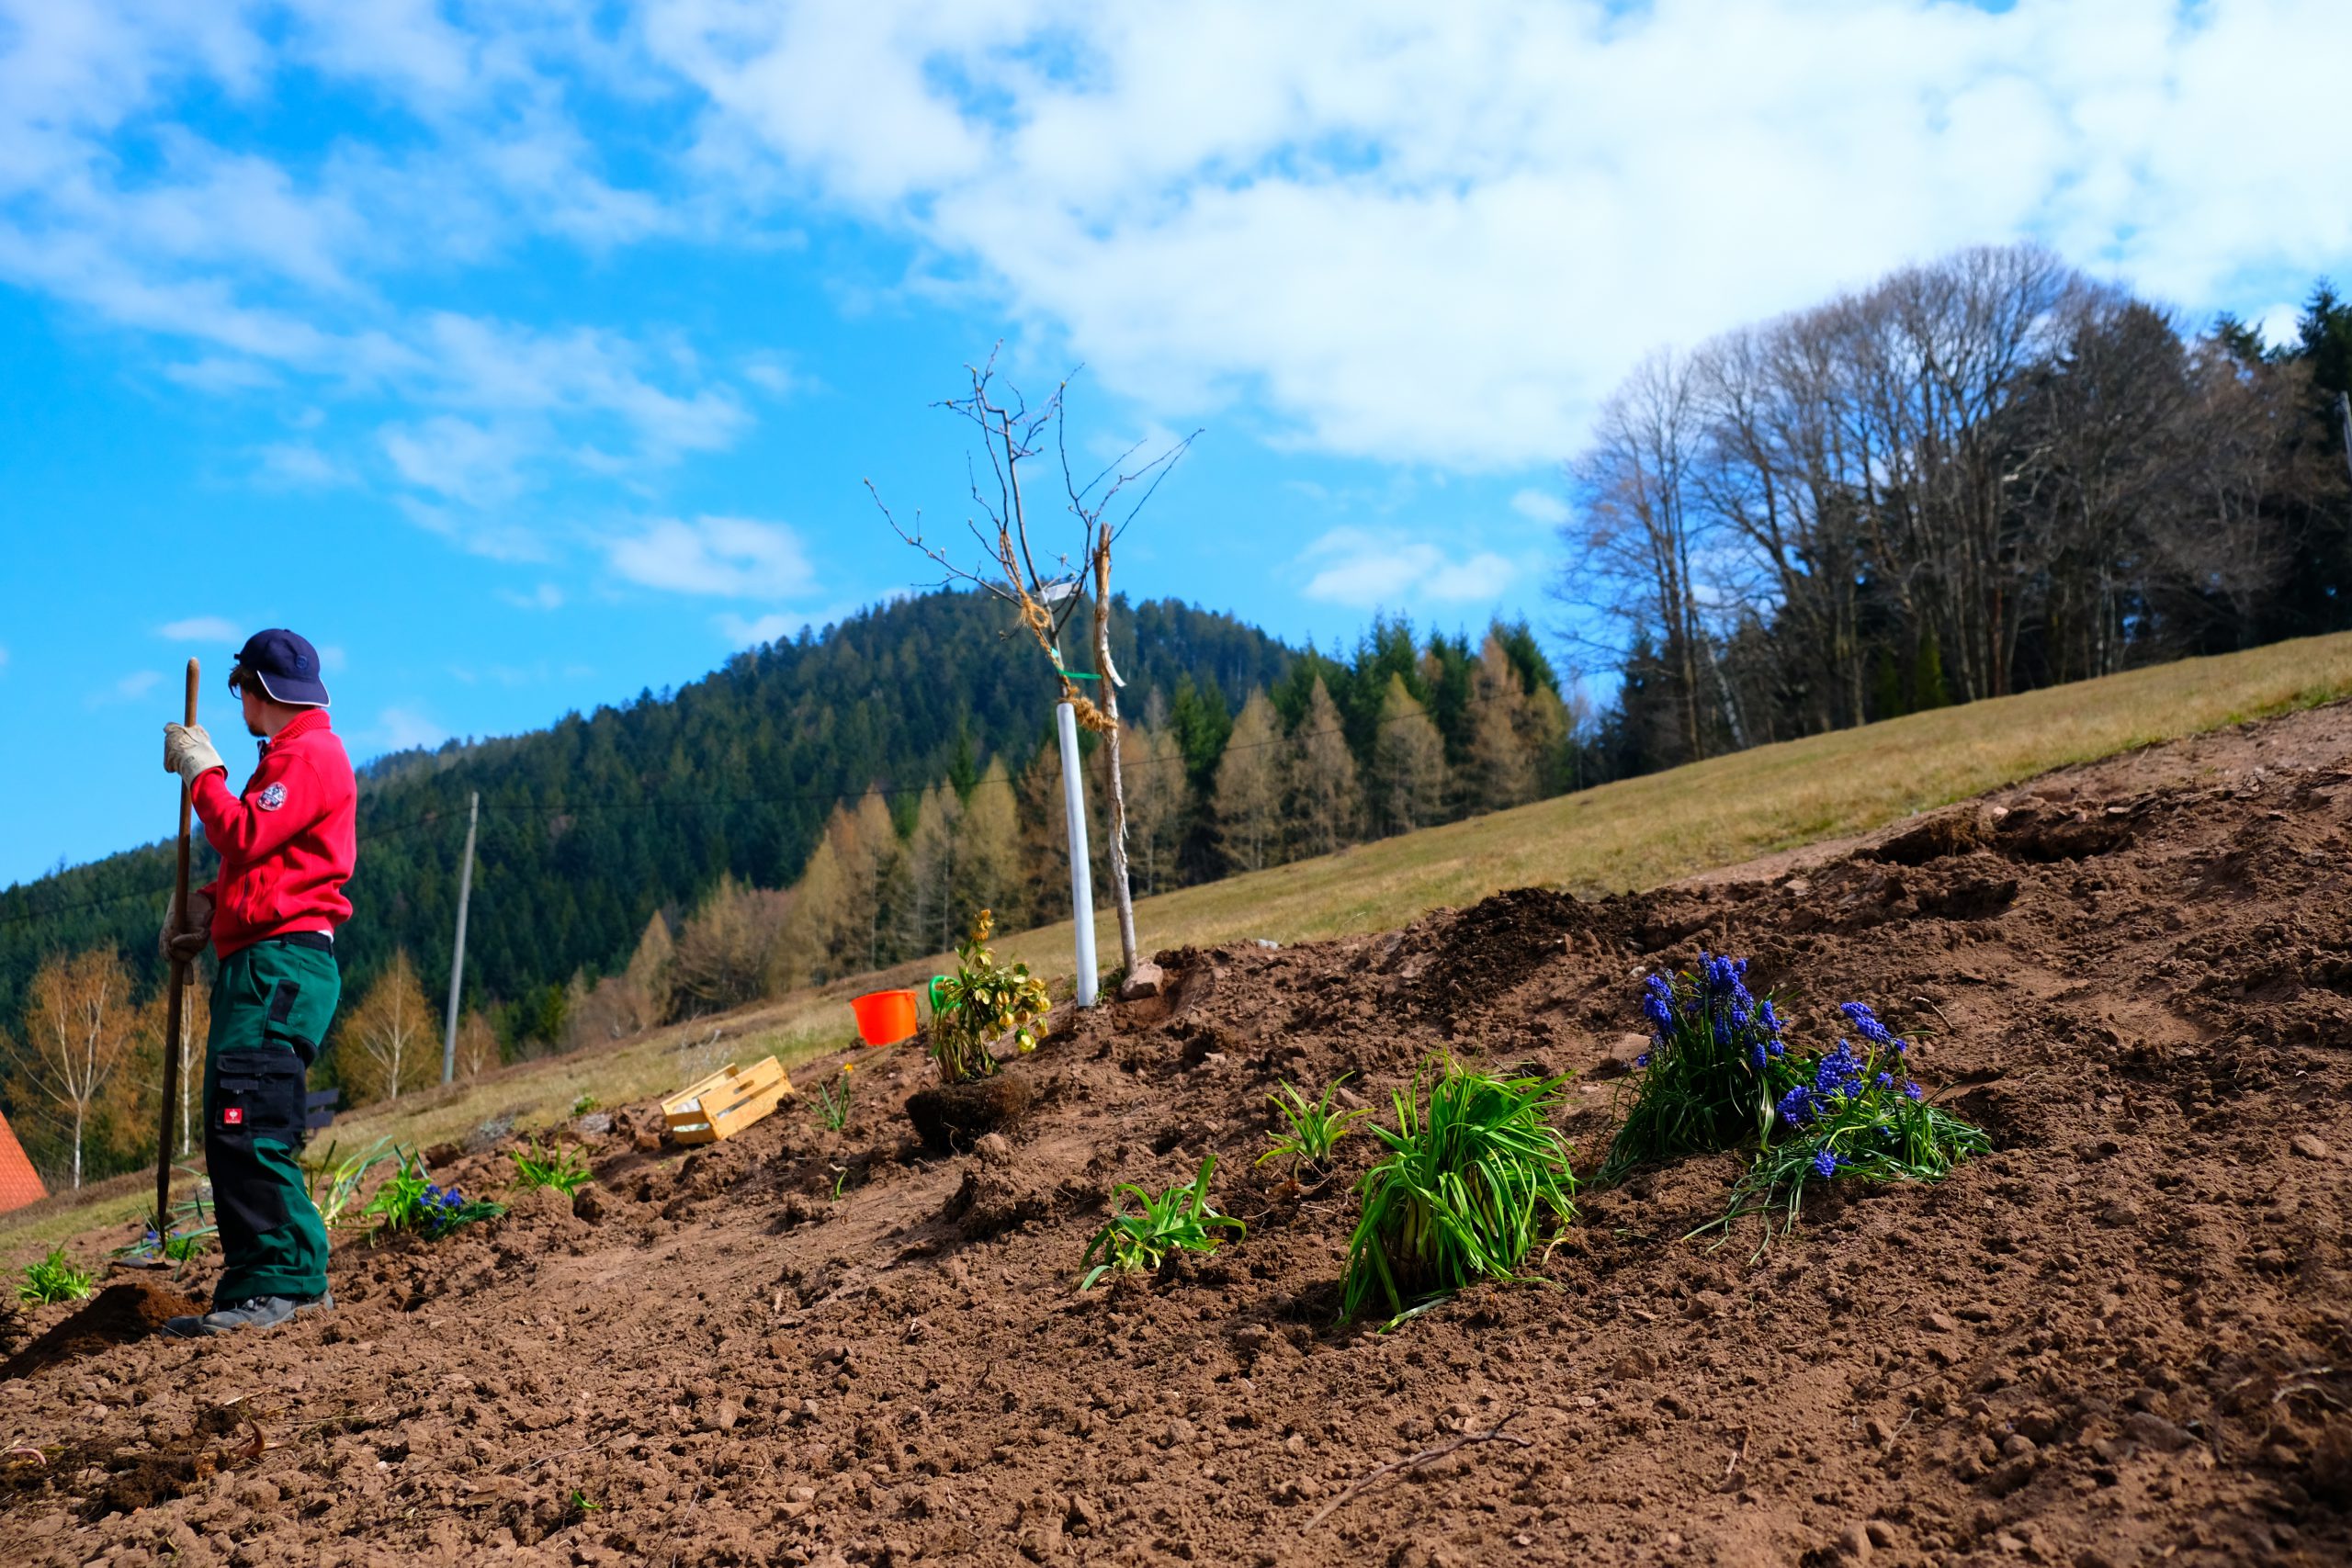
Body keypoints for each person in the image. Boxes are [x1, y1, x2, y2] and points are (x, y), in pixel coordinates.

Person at [157, 628, 356, 1337]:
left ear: (253, 688)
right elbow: (263, 864)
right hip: (257, 961)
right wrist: (208, 905)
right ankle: (256, 1285)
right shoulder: (287, 760)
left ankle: (288, 1282)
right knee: (230, 1119)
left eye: (242, 687)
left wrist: (202, 774)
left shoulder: (310, 757)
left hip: (282, 963)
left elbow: (242, 834)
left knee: (252, 1119)